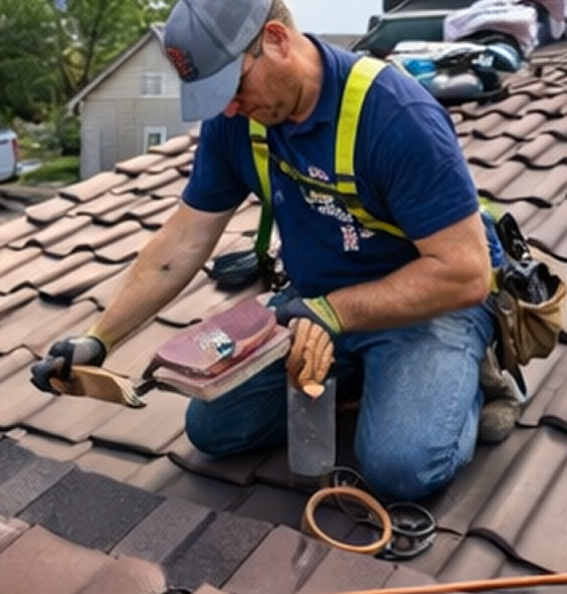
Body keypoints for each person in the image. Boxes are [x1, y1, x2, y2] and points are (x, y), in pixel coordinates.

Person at [32, 0, 506, 502]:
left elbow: (465, 273)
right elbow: (182, 243)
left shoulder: (396, 116)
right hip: (313, 307)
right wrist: (99, 340)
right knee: (214, 428)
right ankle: (362, 374)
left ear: (276, 40)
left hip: (424, 305)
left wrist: (334, 313)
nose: (228, 108)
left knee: (401, 468)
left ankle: (467, 379)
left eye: (233, 86)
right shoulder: (237, 121)